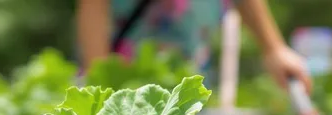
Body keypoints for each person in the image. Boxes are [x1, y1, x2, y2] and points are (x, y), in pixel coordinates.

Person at [76, 0, 312, 93]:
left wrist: (274, 48)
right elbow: (94, 6)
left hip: (192, 70)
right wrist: (99, 79)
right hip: (126, 77)